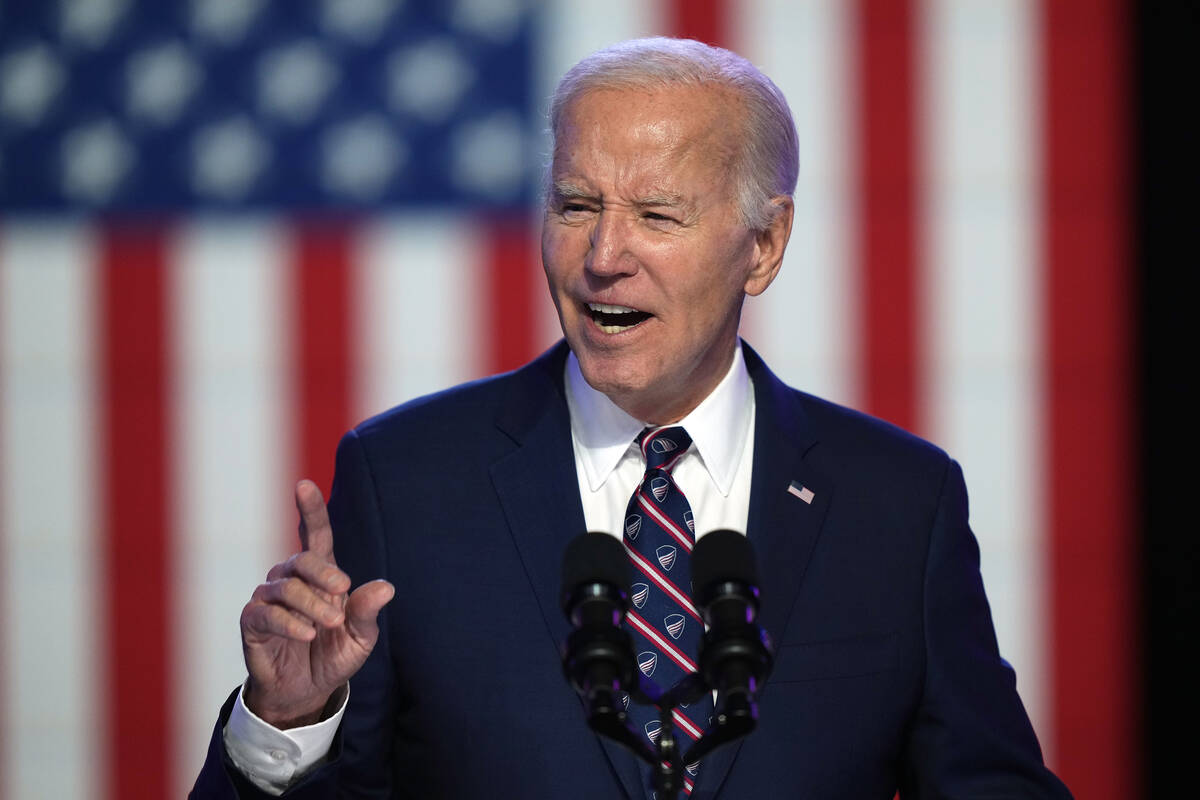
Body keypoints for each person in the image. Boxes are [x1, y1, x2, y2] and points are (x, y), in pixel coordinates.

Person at [191, 37, 1072, 799]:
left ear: (762, 246)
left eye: (656, 215)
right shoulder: (409, 481)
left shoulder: (897, 503)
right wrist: (288, 723)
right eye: (576, 207)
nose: (603, 258)